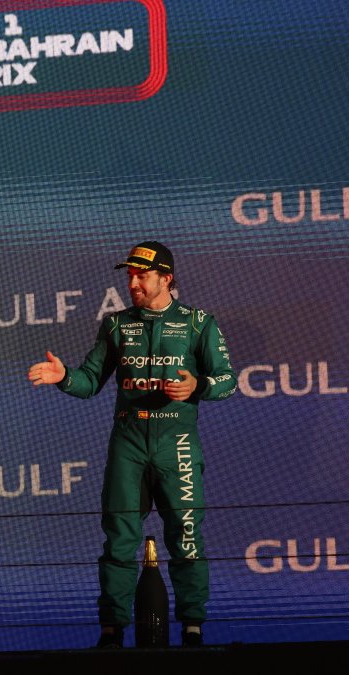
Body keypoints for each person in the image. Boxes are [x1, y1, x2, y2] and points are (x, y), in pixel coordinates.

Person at [26, 242, 235, 649]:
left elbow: (227, 380)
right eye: (130, 276)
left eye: (142, 276)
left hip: (177, 446)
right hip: (129, 445)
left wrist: (198, 386)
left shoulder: (198, 324)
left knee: (187, 537)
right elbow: (89, 381)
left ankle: (193, 629)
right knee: (119, 537)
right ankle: (111, 631)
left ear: (166, 278)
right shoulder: (116, 324)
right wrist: (64, 376)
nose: (133, 283)